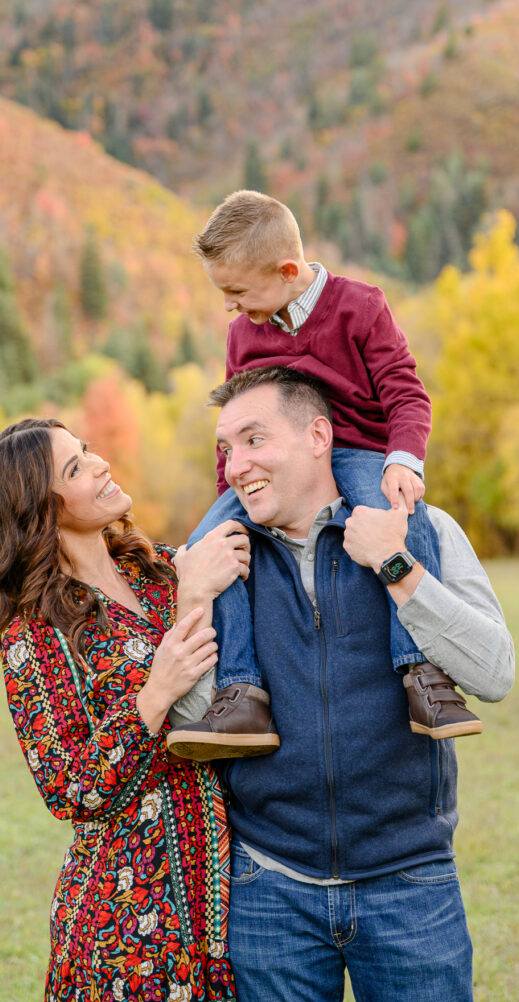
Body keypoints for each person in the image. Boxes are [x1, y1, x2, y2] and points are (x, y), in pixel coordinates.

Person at [168, 367, 514, 1002]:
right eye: (226, 449)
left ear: (318, 435)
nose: (235, 467)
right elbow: (191, 722)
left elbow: (495, 673)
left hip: (412, 882)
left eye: (253, 440)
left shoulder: (422, 531)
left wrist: (396, 566)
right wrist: (193, 597)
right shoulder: (217, 560)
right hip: (270, 887)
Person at [169, 189, 481, 761]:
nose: (230, 308)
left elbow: (405, 392)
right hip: (281, 461)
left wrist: (403, 460)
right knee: (211, 543)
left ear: (288, 271)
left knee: (395, 519)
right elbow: (237, 418)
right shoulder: (244, 335)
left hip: (361, 451)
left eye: (237, 292)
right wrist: (231, 492)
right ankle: (242, 691)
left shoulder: (359, 306)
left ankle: (423, 675)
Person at [0, 417, 248, 1002]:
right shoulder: (34, 632)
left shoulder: (161, 572)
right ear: (41, 510)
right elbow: (68, 789)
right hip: (129, 923)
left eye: (87, 451)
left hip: (225, 892)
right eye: (75, 468)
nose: (99, 464)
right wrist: (154, 696)